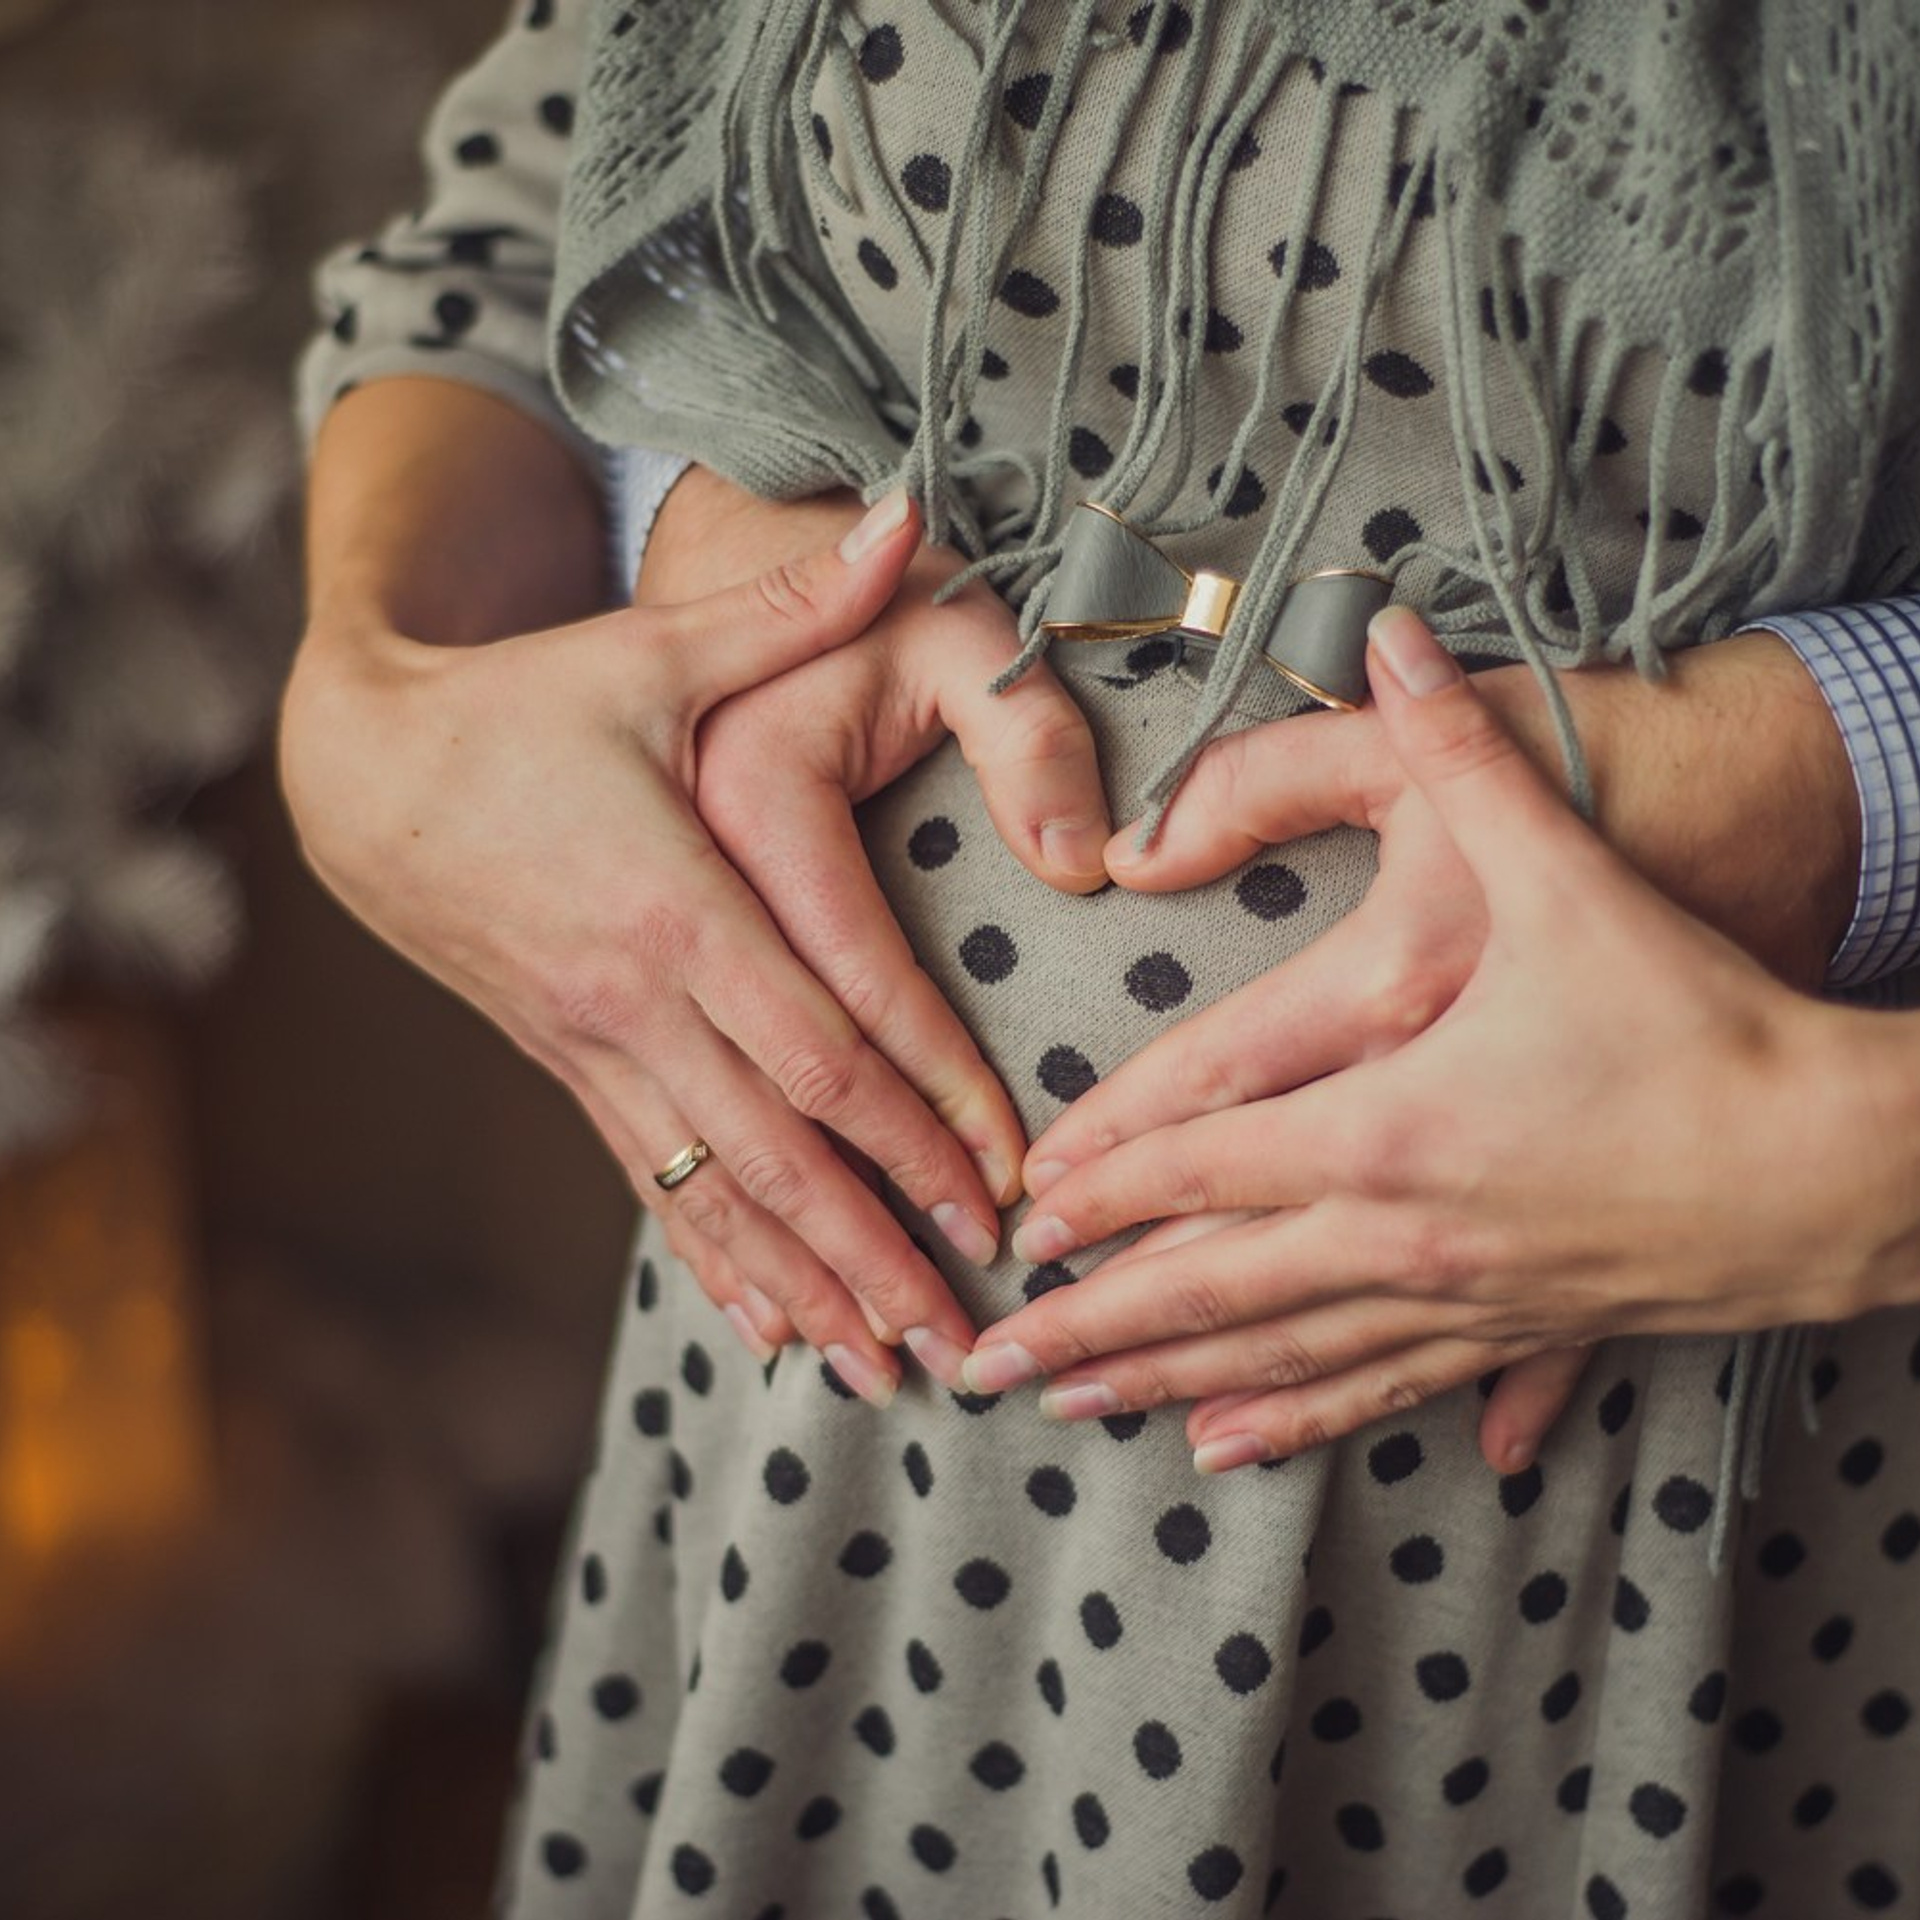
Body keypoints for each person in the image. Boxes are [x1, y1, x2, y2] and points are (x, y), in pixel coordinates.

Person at [288, 2, 1920, 1913]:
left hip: (1706, 1526)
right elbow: (539, 222)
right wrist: (391, 686)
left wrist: (1839, 817)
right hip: (829, 1492)